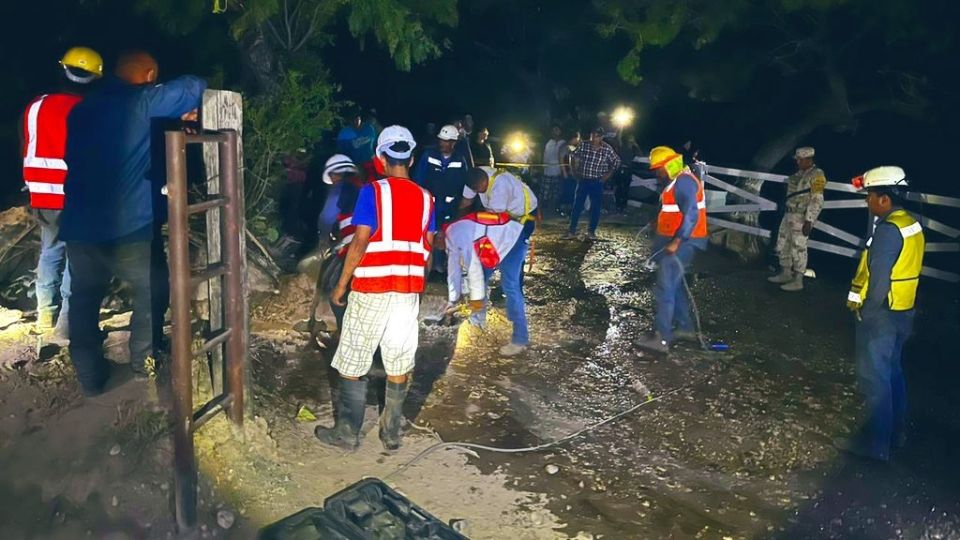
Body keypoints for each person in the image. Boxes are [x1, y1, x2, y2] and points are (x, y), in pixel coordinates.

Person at [60, 51, 206, 395]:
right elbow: (194, 86)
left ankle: (90, 377)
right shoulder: (141, 101)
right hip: (127, 227)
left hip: (79, 226)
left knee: (83, 298)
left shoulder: (82, 110)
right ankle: (144, 364)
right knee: (151, 291)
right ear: (150, 73)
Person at [315, 125, 436, 452]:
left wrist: (342, 284)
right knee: (399, 361)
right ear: (411, 157)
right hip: (406, 294)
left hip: (371, 289)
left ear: (381, 159)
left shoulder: (373, 191)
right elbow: (428, 246)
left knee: (353, 360)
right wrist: (417, 289)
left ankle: (347, 435)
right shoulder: (427, 199)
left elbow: (361, 240)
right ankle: (391, 434)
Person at [835, 166, 923, 461]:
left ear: (884, 199)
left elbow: (880, 278)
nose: (868, 202)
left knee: (875, 380)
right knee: (893, 372)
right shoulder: (911, 223)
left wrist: (867, 312)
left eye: (870, 196)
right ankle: (896, 434)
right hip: (903, 311)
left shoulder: (887, 230)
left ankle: (876, 447)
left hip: (882, 314)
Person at [20, 46, 103, 340]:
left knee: (50, 249)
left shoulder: (36, 106)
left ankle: (44, 315)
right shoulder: (90, 110)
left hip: (41, 194)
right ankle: (67, 324)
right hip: (75, 195)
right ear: (94, 78)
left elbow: (29, 144)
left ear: (62, 70)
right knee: (77, 257)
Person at [635, 146, 708, 354]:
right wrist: (656, 222)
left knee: (665, 288)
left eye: (659, 168)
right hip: (676, 240)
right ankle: (684, 328)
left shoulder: (684, 182)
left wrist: (677, 240)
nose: (657, 173)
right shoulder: (676, 181)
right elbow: (673, 211)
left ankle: (662, 338)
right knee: (675, 287)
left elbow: (692, 214)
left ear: (669, 165)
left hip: (684, 242)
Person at [459, 167, 538, 355]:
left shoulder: (500, 186)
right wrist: (455, 221)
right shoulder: (474, 178)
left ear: (486, 182)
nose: (478, 192)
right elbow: (466, 202)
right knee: (479, 275)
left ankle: (520, 338)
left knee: (510, 284)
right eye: (476, 191)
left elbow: (494, 222)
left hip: (517, 229)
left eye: (481, 189)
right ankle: (478, 317)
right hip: (498, 226)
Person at [443, 210, 525, 338]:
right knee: (498, 282)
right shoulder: (451, 234)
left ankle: (479, 325)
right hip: (502, 239)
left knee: (508, 284)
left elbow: (473, 269)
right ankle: (480, 320)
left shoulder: (458, 234)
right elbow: (453, 270)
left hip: (514, 238)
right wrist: (452, 300)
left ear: (438, 236)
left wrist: (475, 302)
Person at [413, 124, 471, 273]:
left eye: (446, 141)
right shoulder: (429, 155)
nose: (442, 144)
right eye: (441, 140)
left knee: (446, 236)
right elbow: (419, 178)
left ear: (453, 143)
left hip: (451, 206)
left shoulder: (460, 159)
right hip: (431, 204)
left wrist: (460, 206)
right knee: (429, 234)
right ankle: (429, 268)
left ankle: (443, 269)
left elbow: (464, 184)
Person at [768, 147, 827, 291]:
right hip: (788, 214)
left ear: (808, 159)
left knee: (798, 247)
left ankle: (798, 280)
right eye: (797, 160)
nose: (798, 162)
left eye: (800, 160)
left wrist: (809, 220)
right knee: (783, 243)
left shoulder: (817, 175)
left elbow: (817, 199)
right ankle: (785, 273)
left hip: (801, 217)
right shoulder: (797, 174)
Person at [563, 127, 620, 240]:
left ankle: (591, 232)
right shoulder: (584, 145)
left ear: (601, 137)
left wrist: (607, 175)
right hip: (583, 180)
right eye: (592, 135)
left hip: (597, 181)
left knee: (595, 207)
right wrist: (574, 171)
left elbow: (616, 162)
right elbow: (572, 156)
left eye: (597, 136)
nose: (594, 138)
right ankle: (572, 231)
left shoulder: (607, 149)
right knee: (577, 206)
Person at [541, 125, 565, 214]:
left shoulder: (563, 143)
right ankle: (544, 209)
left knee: (556, 191)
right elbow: (545, 155)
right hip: (547, 170)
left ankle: (555, 208)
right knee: (545, 192)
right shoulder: (549, 143)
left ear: (560, 131)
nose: (555, 132)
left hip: (558, 171)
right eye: (553, 130)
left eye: (557, 130)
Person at [557, 130, 580, 216]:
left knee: (572, 191)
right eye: (577, 138)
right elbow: (561, 160)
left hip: (573, 174)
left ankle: (570, 209)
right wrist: (565, 173)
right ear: (573, 138)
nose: (578, 140)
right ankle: (562, 208)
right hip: (567, 173)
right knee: (566, 191)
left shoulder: (574, 147)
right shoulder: (565, 147)